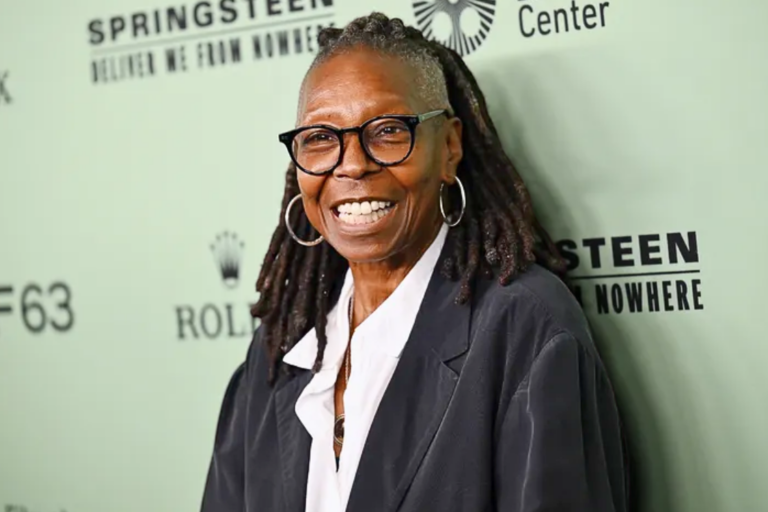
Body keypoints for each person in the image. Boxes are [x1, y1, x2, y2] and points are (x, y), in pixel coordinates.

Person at [201, 12, 629, 512]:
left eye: (387, 131)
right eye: (320, 137)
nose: (353, 162)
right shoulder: (279, 350)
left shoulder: (524, 328)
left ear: (449, 147)